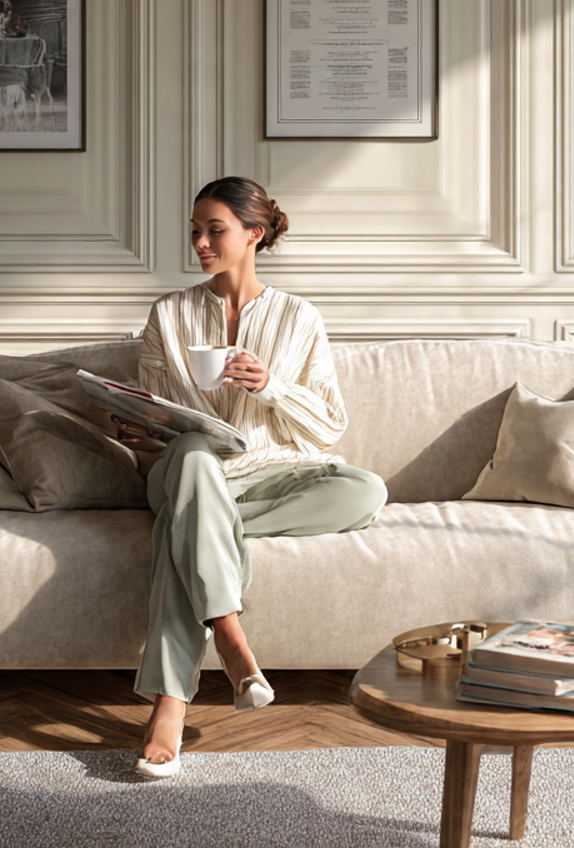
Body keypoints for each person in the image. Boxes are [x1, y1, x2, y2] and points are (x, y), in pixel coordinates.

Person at [116, 176, 387, 779]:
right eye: (195, 230)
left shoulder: (300, 317)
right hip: (184, 470)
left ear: (253, 234)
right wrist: (143, 434)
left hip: (265, 476)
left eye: (214, 229)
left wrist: (272, 387)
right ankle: (223, 649)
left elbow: (327, 429)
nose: (200, 242)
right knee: (190, 452)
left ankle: (202, 544)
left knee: (366, 490)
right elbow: (156, 413)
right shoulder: (169, 315)